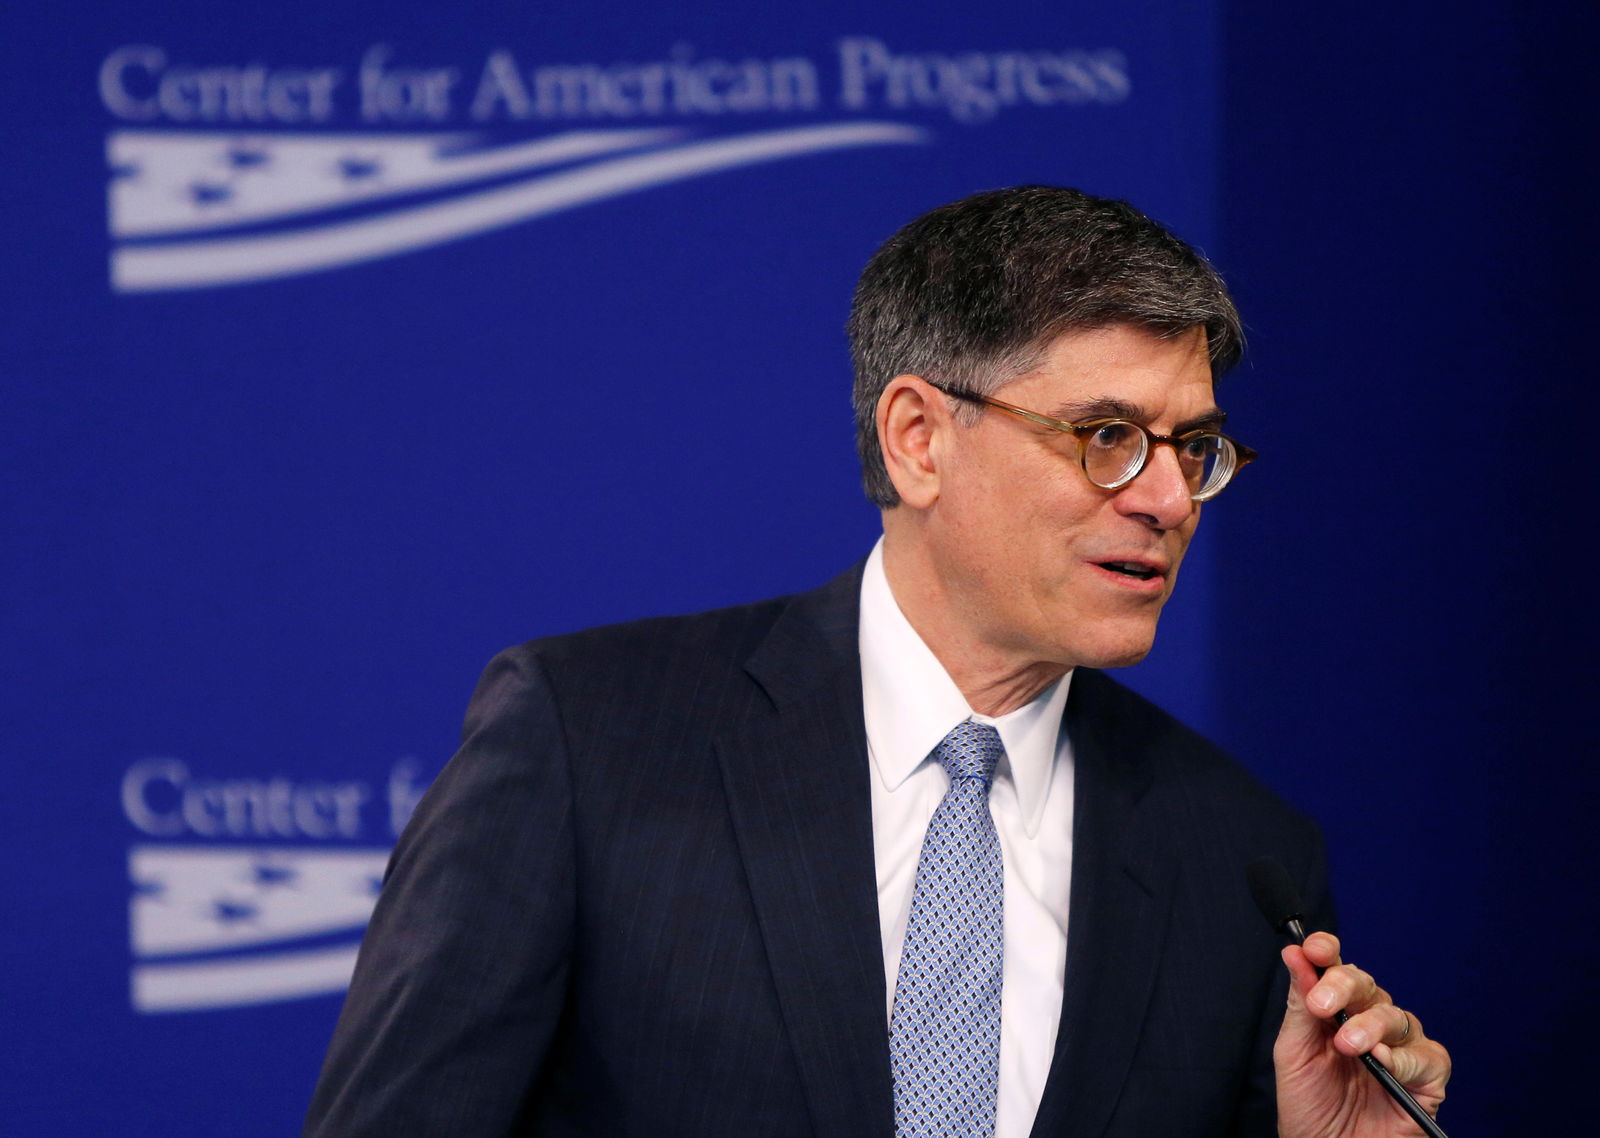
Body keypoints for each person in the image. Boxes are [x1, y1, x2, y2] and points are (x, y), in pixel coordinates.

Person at [303, 186, 1450, 1137]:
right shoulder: (587, 740)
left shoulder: (1241, 854)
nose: (1164, 498)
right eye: (1108, 436)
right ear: (919, 439)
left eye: (1191, 447)